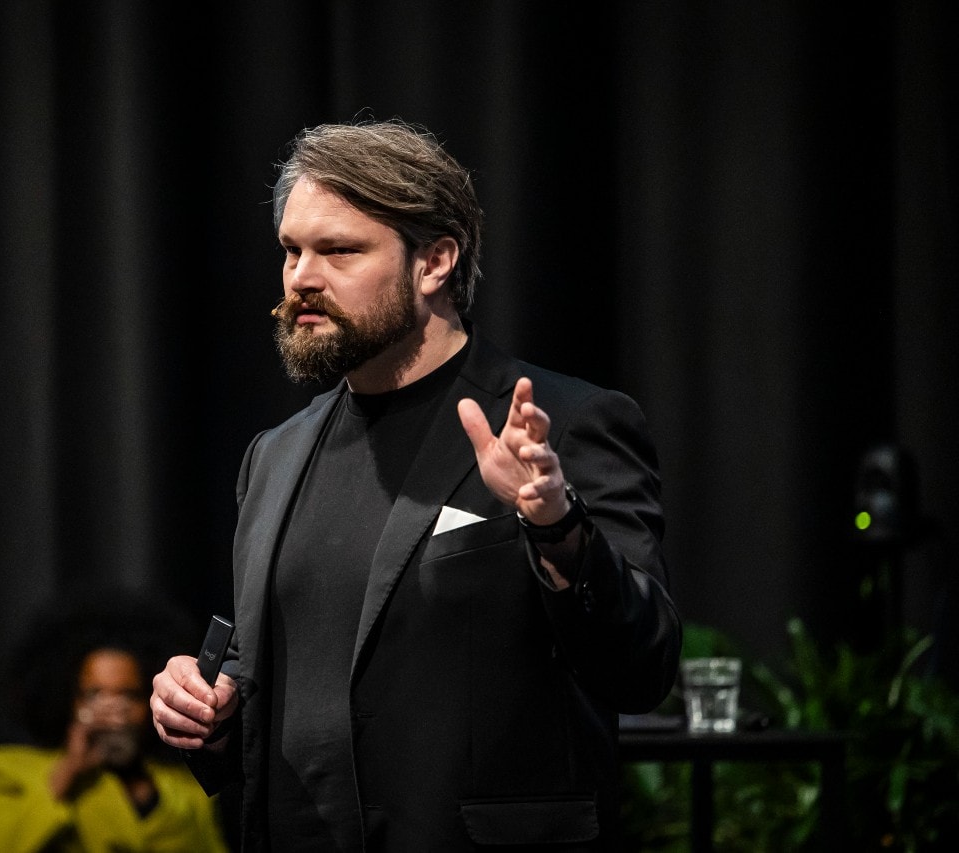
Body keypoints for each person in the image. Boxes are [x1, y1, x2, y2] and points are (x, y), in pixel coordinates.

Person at [149, 118, 681, 851]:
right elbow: (282, 692)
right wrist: (206, 710)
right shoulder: (273, 456)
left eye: (339, 250)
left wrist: (557, 525)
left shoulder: (562, 424)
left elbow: (643, 668)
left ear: (434, 261)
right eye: (292, 250)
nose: (302, 277)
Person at [0, 591, 232, 853]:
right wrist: (68, 771)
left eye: (129, 695)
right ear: (68, 698)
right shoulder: (1, 769)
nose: (112, 710)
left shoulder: (187, 787)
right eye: (94, 694)